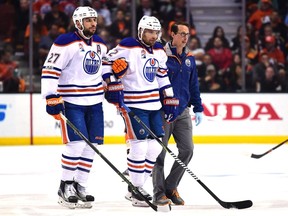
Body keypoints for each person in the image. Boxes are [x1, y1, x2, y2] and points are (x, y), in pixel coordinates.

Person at [41, 6, 123, 209]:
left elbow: (104, 66)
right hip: (72, 101)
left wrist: (111, 81)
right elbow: (50, 69)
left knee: (91, 146)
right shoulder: (65, 42)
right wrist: (51, 96)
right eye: (88, 20)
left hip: (95, 101)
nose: (93, 23)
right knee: (75, 144)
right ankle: (65, 186)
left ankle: (80, 185)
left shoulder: (100, 44)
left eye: (94, 20)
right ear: (78, 23)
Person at [104, 15, 179, 208]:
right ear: (140, 31)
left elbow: (162, 76)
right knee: (138, 146)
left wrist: (169, 98)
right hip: (133, 104)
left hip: (154, 104)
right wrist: (113, 80)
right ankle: (136, 190)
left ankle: (134, 182)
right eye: (149, 32)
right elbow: (105, 63)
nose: (153, 36)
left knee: (155, 148)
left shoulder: (159, 51)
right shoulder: (128, 46)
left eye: (156, 32)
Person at [152, 21, 204, 206]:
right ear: (172, 34)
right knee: (159, 153)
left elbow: (193, 85)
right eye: (182, 33)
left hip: (182, 111)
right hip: (162, 111)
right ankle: (158, 193)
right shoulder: (160, 55)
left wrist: (198, 107)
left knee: (188, 150)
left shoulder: (189, 58)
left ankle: (170, 186)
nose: (185, 37)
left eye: (187, 34)